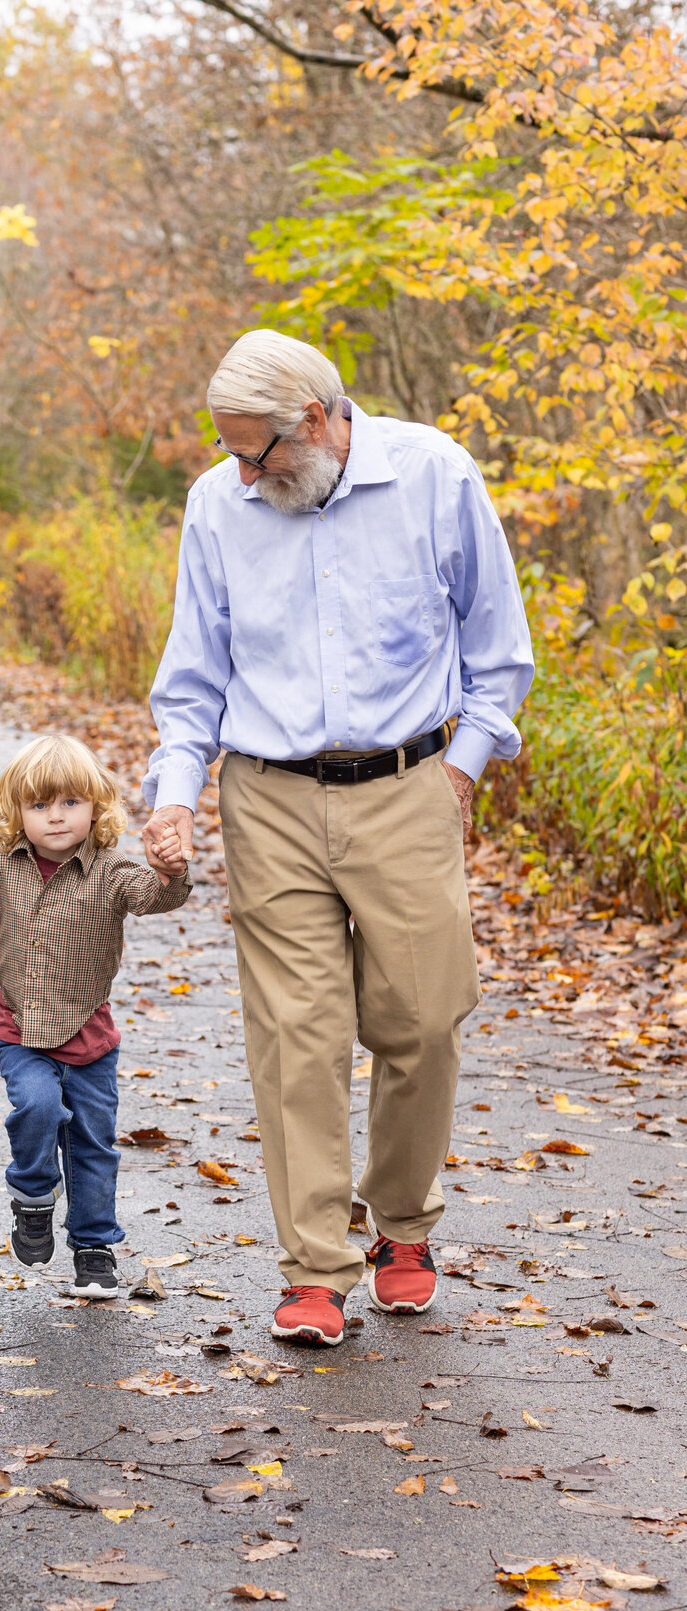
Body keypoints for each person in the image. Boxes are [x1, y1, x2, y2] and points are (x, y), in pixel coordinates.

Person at [141, 329, 534, 1347]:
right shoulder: (218, 505)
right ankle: (314, 1265)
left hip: (407, 785)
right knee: (296, 1040)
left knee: (424, 1018)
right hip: (268, 796)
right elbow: (193, 676)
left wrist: (460, 771)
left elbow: (500, 653)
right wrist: (176, 794)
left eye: (256, 449)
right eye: (228, 450)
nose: (242, 470)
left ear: (315, 420)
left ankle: (401, 1225)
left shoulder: (435, 477)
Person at [0, 734, 191, 1297]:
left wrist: (171, 871)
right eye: (40, 806)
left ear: (96, 807)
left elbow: (158, 896)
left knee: (93, 1144)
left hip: (90, 1036)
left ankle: (94, 1247)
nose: (56, 818)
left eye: (70, 803)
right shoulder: (3, 865)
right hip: (22, 1030)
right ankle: (32, 1194)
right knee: (38, 1105)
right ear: (16, 812)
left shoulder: (113, 871)